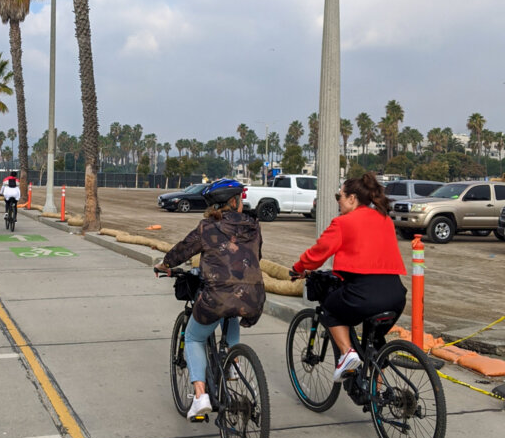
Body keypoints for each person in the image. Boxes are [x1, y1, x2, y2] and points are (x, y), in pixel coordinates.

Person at [154, 178, 265, 420]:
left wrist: (166, 264)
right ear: (235, 202)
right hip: (253, 297)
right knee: (232, 313)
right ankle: (232, 365)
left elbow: (184, 249)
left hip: (217, 295)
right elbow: (256, 255)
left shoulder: (207, 227)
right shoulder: (254, 226)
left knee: (194, 337)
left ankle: (200, 396)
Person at [290, 172, 407, 382]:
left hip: (363, 293)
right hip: (396, 294)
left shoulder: (344, 222)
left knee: (330, 309)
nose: (338, 202)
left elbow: (317, 254)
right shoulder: (385, 219)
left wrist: (298, 268)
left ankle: (346, 354)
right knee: (374, 345)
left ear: (352, 198)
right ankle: (377, 396)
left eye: (339, 197)